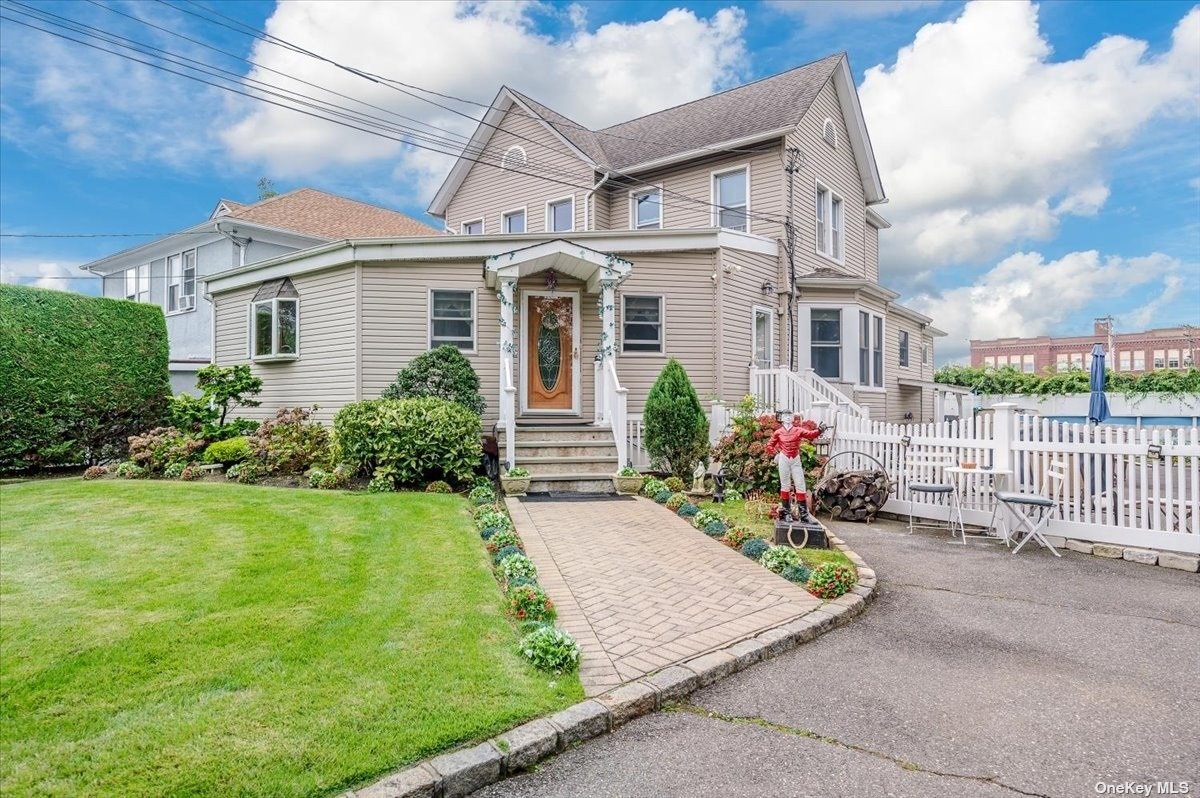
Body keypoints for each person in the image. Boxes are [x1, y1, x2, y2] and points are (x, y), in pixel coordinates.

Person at [766, 411, 821, 521]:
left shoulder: (798, 430)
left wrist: (820, 430)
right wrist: (776, 453)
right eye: (785, 416)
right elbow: (769, 445)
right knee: (785, 485)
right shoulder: (778, 432)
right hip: (784, 458)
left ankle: (804, 515)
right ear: (781, 418)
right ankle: (787, 513)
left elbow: (810, 434)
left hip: (795, 459)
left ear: (792, 418)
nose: (787, 418)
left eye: (789, 416)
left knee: (800, 484)